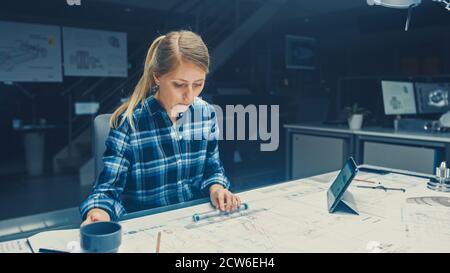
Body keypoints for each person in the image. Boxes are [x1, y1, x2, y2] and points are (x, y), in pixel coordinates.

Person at [80, 30, 241, 226]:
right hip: (149, 228)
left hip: (195, 222)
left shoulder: (206, 113)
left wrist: (217, 188)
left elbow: (213, 169)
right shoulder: (129, 123)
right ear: (157, 77)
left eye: (198, 84)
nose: (189, 96)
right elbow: (106, 192)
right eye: (179, 85)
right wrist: (98, 214)